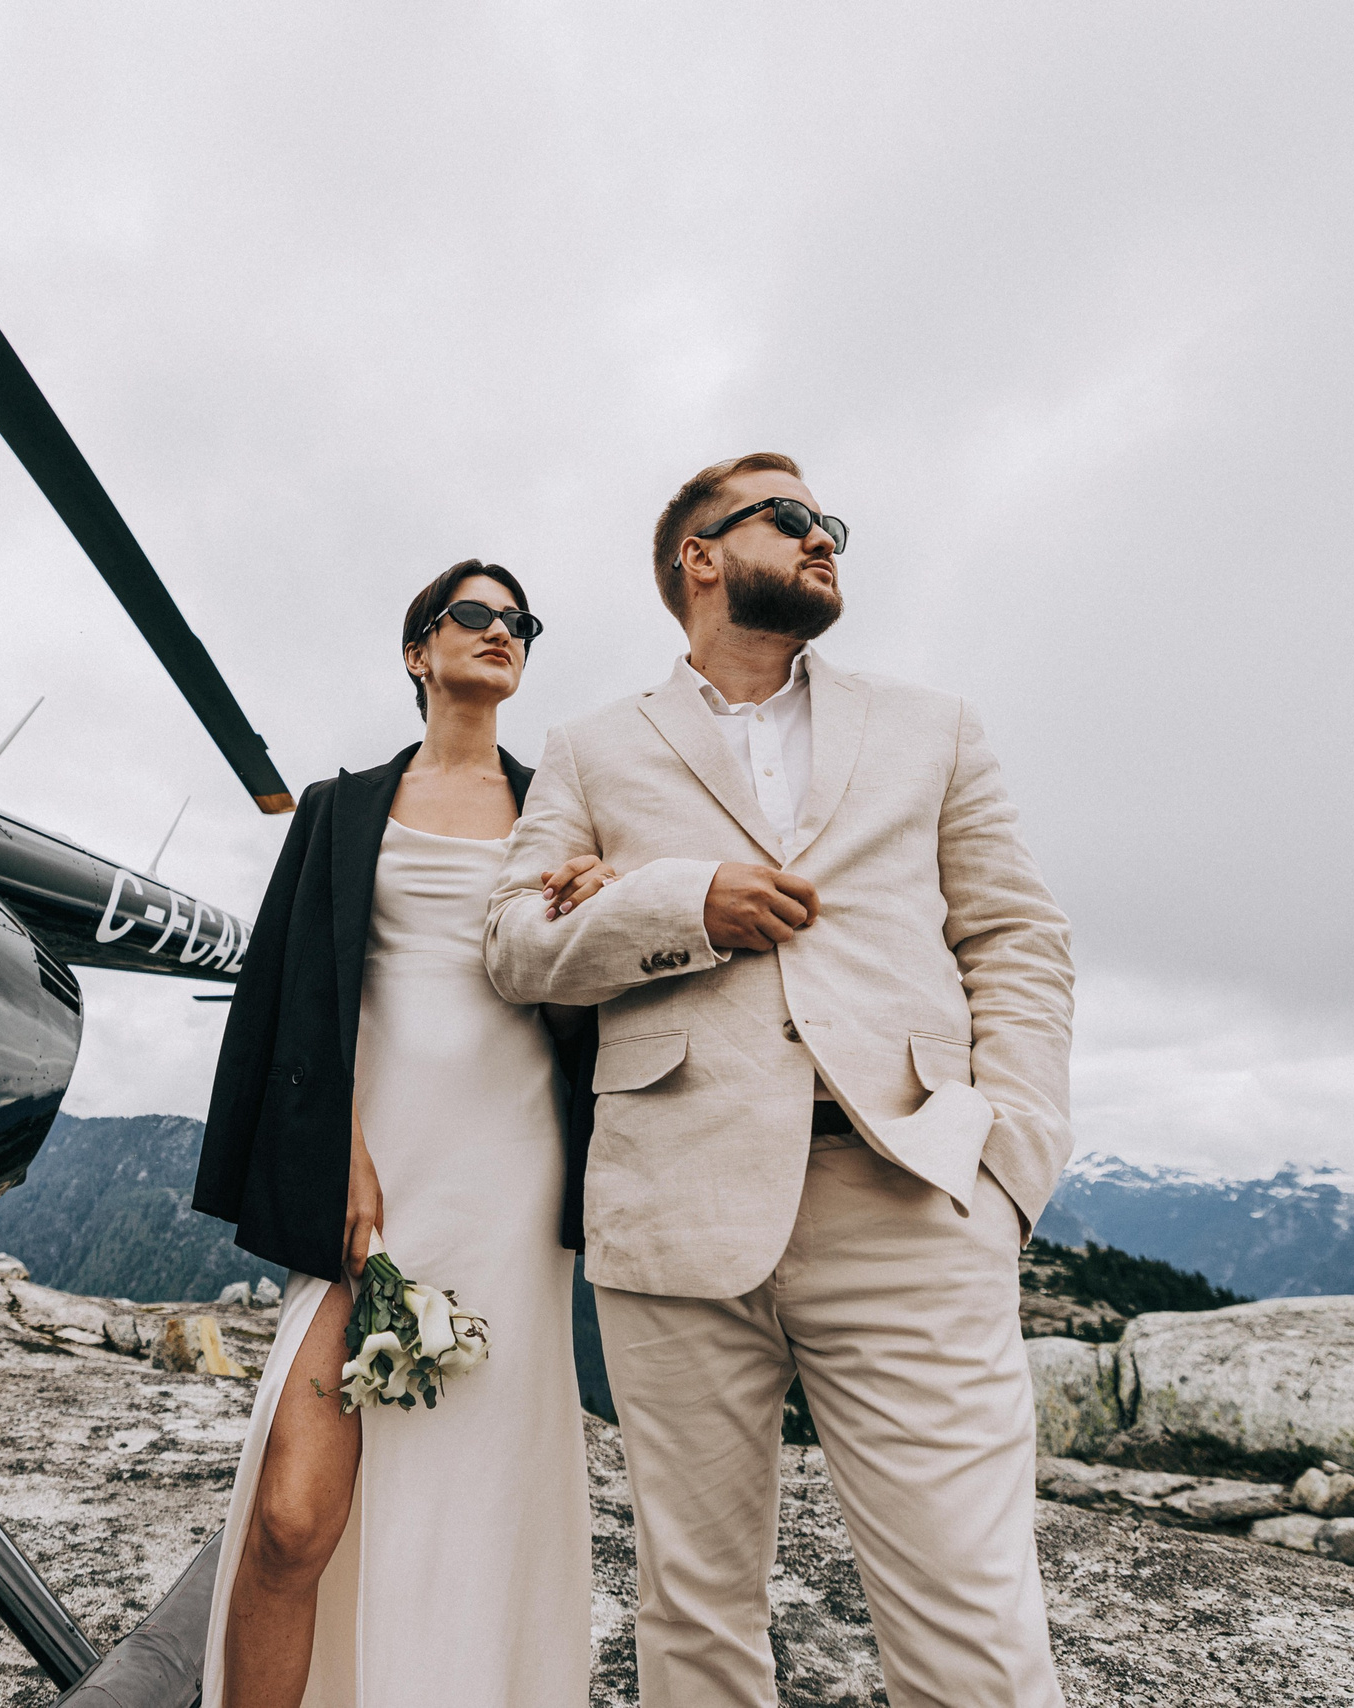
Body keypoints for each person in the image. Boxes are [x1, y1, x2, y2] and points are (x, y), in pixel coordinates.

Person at [486, 453, 1076, 1707]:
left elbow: (1015, 937)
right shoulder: (589, 749)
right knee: (692, 1618)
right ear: (700, 555)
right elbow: (513, 945)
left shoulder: (936, 726)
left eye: (831, 525)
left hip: (909, 1193)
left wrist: (1009, 1162)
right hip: (670, 1211)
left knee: (973, 1623)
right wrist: (677, 901)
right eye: (794, 519)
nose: (825, 542)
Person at [192, 560, 610, 1708]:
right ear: (419, 651)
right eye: (470, 614)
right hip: (367, 1181)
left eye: (516, 621)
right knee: (291, 1517)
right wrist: (339, 1145)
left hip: (513, 1187)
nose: (498, 632)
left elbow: (583, 1016)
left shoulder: (564, 811)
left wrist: (595, 915)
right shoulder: (335, 811)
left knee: (470, 1512)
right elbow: (286, 999)